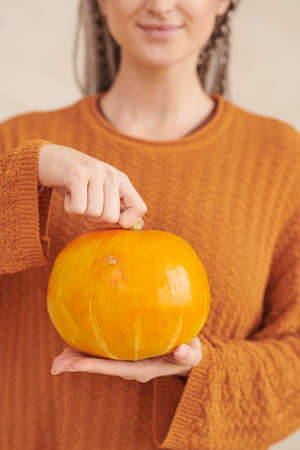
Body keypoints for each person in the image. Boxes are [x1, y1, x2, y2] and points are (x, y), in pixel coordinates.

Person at [0, 0, 299, 449]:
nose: (160, 5)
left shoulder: (282, 159)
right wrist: (27, 172)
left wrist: (198, 368)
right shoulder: (19, 144)